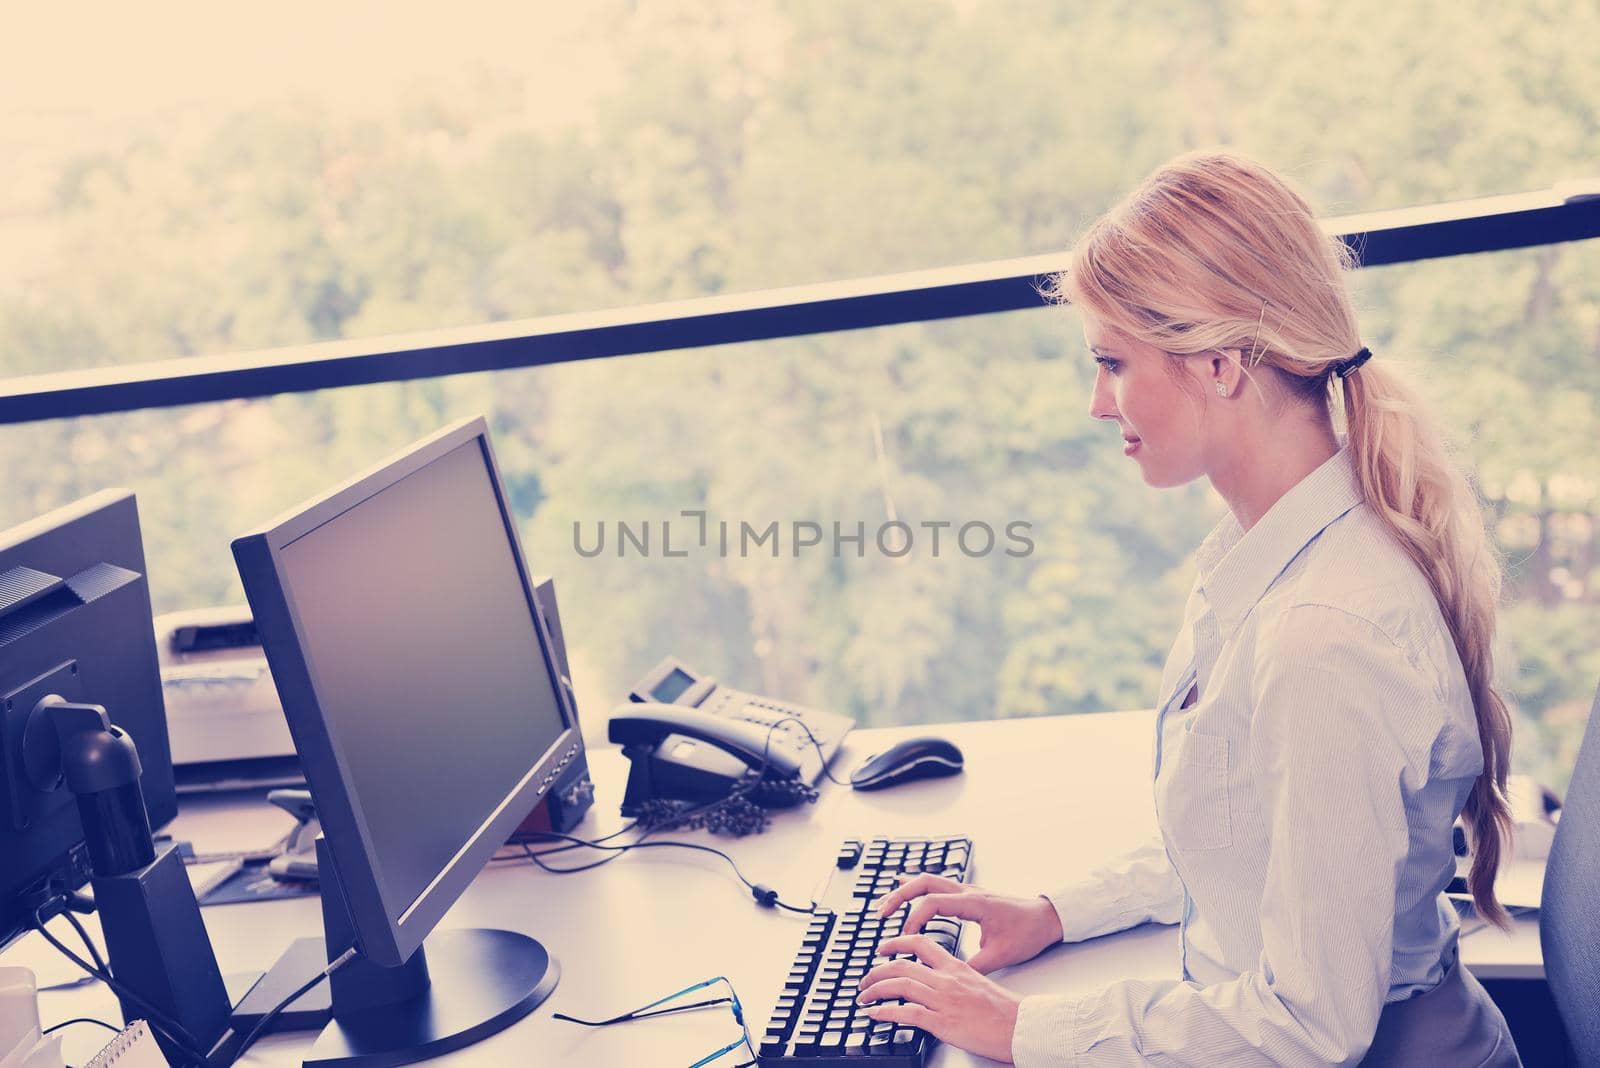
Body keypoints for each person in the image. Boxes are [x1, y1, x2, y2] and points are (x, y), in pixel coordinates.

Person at [854, 151, 1523, 1066]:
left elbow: (1308, 1023)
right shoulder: (1271, 558)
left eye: (1112, 362)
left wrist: (1020, 1029)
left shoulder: (1324, 636)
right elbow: (1252, 842)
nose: (1098, 403)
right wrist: (1056, 914)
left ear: (1218, 365)